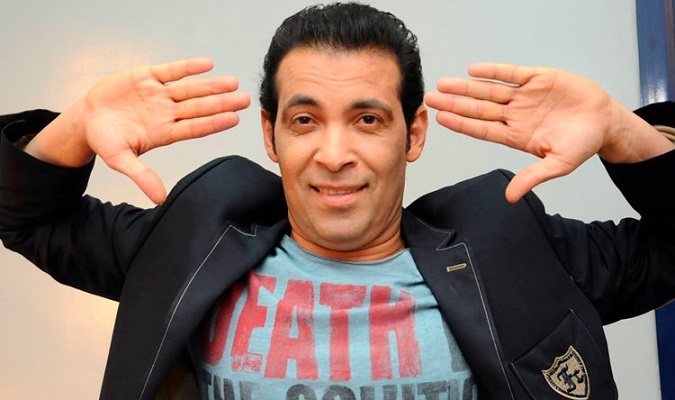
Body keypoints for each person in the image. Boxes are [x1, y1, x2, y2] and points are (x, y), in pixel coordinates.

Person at [1, 3, 674, 399]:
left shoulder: (514, 248)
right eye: (304, 120)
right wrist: (74, 126)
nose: (332, 154)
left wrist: (625, 135)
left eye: (367, 119)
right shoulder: (190, 241)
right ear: (270, 135)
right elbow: (23, 217)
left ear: (413, 134)